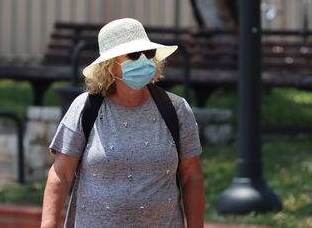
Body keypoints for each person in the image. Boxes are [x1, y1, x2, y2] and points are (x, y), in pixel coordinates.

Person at [41, 18, 205, 228]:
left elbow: (192, 177)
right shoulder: (85, 108)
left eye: (149, 53)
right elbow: (61, 174)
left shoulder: (176, 109)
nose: (144, 60)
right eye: (134, 55)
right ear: (110, 65)